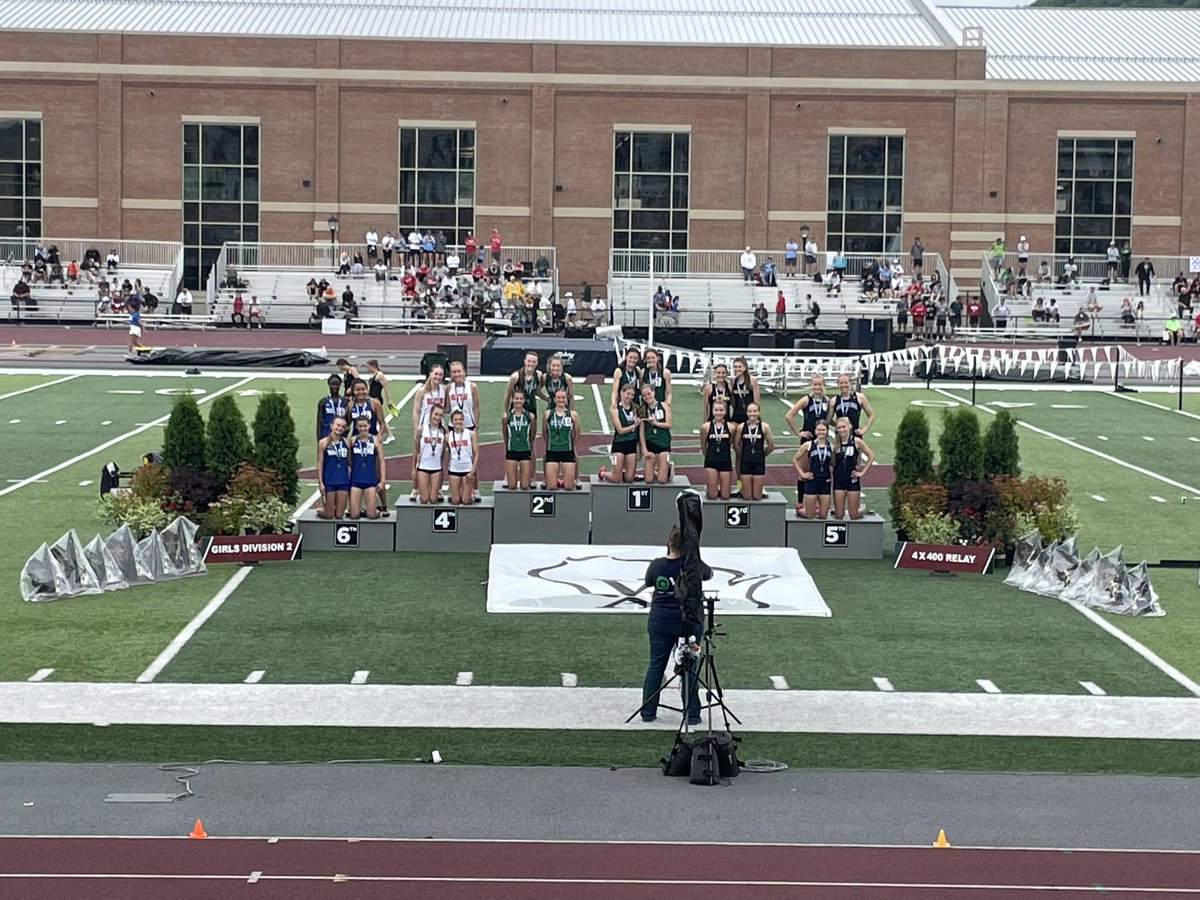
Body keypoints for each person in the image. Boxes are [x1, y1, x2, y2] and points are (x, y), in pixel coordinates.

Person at [639, 525, 706, 725]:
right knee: (689, 666)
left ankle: (648, 711)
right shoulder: (692, 565)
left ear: (669, 543)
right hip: (687, 622)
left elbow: (649, 582)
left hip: (660, 620)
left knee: (656, 665)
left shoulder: (657, 565)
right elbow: (708, 574)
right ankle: (692, 714)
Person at [831, 416, 875, 520]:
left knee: (853, 515)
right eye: (839, 427)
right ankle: (837, 509)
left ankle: (862, 509)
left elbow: (871, 456)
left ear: (849, 427)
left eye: (844, 427)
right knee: (839, 515)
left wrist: (862, 472)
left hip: (852, 480)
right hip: (838, 480)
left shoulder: (856, 441)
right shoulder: (835, 443)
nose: (841, 430)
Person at [347, 416, 385, 520]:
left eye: (365, 426)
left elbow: (382, 461)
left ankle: (375, 510)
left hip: (370, 480)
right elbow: (348, 461)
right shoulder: (352, 440)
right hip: (356, 480)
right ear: (356, 427)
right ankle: (363, 510)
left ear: (369, 425)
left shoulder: (376, 440)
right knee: (354, 515)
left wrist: (382, 481)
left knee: (371, 515)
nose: (362, 428)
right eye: (360, 426)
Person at [543, 387, 580, 490]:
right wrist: (551, 443)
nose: (561, 400)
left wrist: (570, 445)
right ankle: (556, 480)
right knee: (551, 486)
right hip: (552, 450)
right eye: (558, 398)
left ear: (566, 399)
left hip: (567, 451)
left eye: (563, 398)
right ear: (554, 399)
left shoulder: (573, 415)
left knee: (569, 487)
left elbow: (577, 434)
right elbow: (544, 433)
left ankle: (564, 480)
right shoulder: (547, 414)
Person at [793, 421, 832, 520]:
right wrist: (802, 474)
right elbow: (794, 459)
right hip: (812, 481)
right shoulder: (808, 445)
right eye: (819, 430)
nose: (821, 432)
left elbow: (833, 463)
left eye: (823, 430)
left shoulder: (831, 446)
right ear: (815, 431)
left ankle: (814, 509)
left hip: (825, 482)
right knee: (810, 515)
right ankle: (800, 510)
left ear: (827, 431)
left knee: (823, 515)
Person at [606, 382, 642, 484]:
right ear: (621, 393)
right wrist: (634, 426)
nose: (630, 397)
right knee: (616, 479)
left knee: (629, 479)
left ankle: (619, 472)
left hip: (632, 443)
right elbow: (620, 430)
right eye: (628, 394)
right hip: (619, 444)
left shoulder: (636, 408)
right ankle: (603, 473)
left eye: (632, 395)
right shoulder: (615, 409)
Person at [316, 416, 351, 520]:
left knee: (339, 515)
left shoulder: (347, 442)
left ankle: (331, 508)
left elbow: (349, 463)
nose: (340, 428)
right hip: (329, 480)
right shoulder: (323, 443)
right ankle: (320, 510)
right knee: (329, 515)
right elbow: (320, 463)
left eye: (342, 427)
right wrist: (321, 482)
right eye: (338, 425)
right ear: (332, 426)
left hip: (343, 481)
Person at [505, 351, 544, 443]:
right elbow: (507, 394)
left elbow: (537, 391)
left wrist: (547, 399)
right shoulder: (515, 376)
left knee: (531, 438)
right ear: (524, 361)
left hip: (531, 407)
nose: (531, 364)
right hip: (517, 408)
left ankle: (531, 452)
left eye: (534, 362)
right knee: (515, 436)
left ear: (537, 363)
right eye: (529, 361)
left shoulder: (539, 375)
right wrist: (506, 412)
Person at [502, 387, 535, 491]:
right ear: (513, 399)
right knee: (512, 486)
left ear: (524, 400)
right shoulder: (506, 417)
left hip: (525, 450)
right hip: (511, 451)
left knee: (525, 486)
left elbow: (532, 435)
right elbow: (505, 435)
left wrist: (527, 443)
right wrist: (509, 444)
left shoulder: (530, 416)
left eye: (521, 399)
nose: (518, 401)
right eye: (516, 398)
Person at [412, 404, 446, 504]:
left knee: (433, 499)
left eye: (440, 415)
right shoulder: (421, 429)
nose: (438, 417)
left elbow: (443, 451)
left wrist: (441, 464)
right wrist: (414, 468)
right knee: (424, 499)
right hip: (423, 467)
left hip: (436, 468)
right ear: (431, 413)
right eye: (436, 414)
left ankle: (435, 492)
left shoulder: (443, 431)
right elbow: (416, 450)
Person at [700, 399, 733, 500]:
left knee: (725, 496)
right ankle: (709, 488)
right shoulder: (705, 427)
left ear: (725, 411)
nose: (719, 413)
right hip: (711, 461)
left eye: (721, 410)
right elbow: (703, 445)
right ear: (712, 411)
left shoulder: (731, 427)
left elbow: (730, 443)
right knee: (712, 496)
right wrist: (708, 456)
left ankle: (717, 488)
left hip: (725, 461)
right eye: (716, 410)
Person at [639, 382, 672, 484]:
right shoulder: (643, 410)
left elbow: (668, 424)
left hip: (663, 443)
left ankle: (669, 468)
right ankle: (654, 470)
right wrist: (644, 449)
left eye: (649, 393)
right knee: (649, 480)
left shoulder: (664, 406)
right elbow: (641, 433)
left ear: (653, 392)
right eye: (644, 395)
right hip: (650, 443)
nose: (647, 397)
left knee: (662, 480)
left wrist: (655, 423)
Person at [445, 409, 479, 505]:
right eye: (455, 419)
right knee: (455, 501)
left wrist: (472, 471)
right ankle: (458, 492)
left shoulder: (471, 434)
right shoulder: (447, 436)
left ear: (464, 420)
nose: (458, 422)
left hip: (467, 470)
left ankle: (470, 493)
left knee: (465, 500)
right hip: (454, 469)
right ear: (452, 421)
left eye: (460, 419)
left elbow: (476, 454)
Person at [785, 373, 831, 442]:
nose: (817, 387)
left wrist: (839, 424)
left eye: (819, 384)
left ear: (823, 385)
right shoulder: (806, 400)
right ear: (811, 385)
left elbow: (828, 419)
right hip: (808, 437)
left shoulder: (827, 400)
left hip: (822, 437)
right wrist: (798, 433)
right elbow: (788, 416)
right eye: (815, 384)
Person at [832, 372, 874, 437]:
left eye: (846, 382)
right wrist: (839, 426)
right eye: (841, 383)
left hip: (855, 435)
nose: (844, 385)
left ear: (850, 383)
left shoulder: (860, 397)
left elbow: (871, 415)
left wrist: (863, 430)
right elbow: (828, 420)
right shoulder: (834, 400)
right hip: (840, 435)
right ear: (838, 384)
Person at [412, 363, 448, 431]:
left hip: (439, 427)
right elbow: (416, 412)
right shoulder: (422, 391)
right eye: (436, 374)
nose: (438, 377)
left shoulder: (444, 389)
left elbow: (447, 408)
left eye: (440, 375)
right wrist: (416, 429)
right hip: (424, 427)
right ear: (430, 374)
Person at [728, 356, 760, 426]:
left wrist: (756, 416)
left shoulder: (752, 380)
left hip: (750, 415)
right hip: (737, 415)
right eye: (735, 367)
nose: (737, 369)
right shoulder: (733, 381)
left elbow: (757, 401)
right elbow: (731, 399)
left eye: (740, 367)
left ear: (745, 367)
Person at [317, 374, 348, 441]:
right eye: (332, 384)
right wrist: (319, 440)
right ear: (328, 385)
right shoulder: (323, 402)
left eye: (337, 384)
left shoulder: (345, 401)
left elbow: (348, 420)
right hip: (326, 435)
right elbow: (319, 423)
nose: (334, 387)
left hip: (341, 435)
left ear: (340, 385)